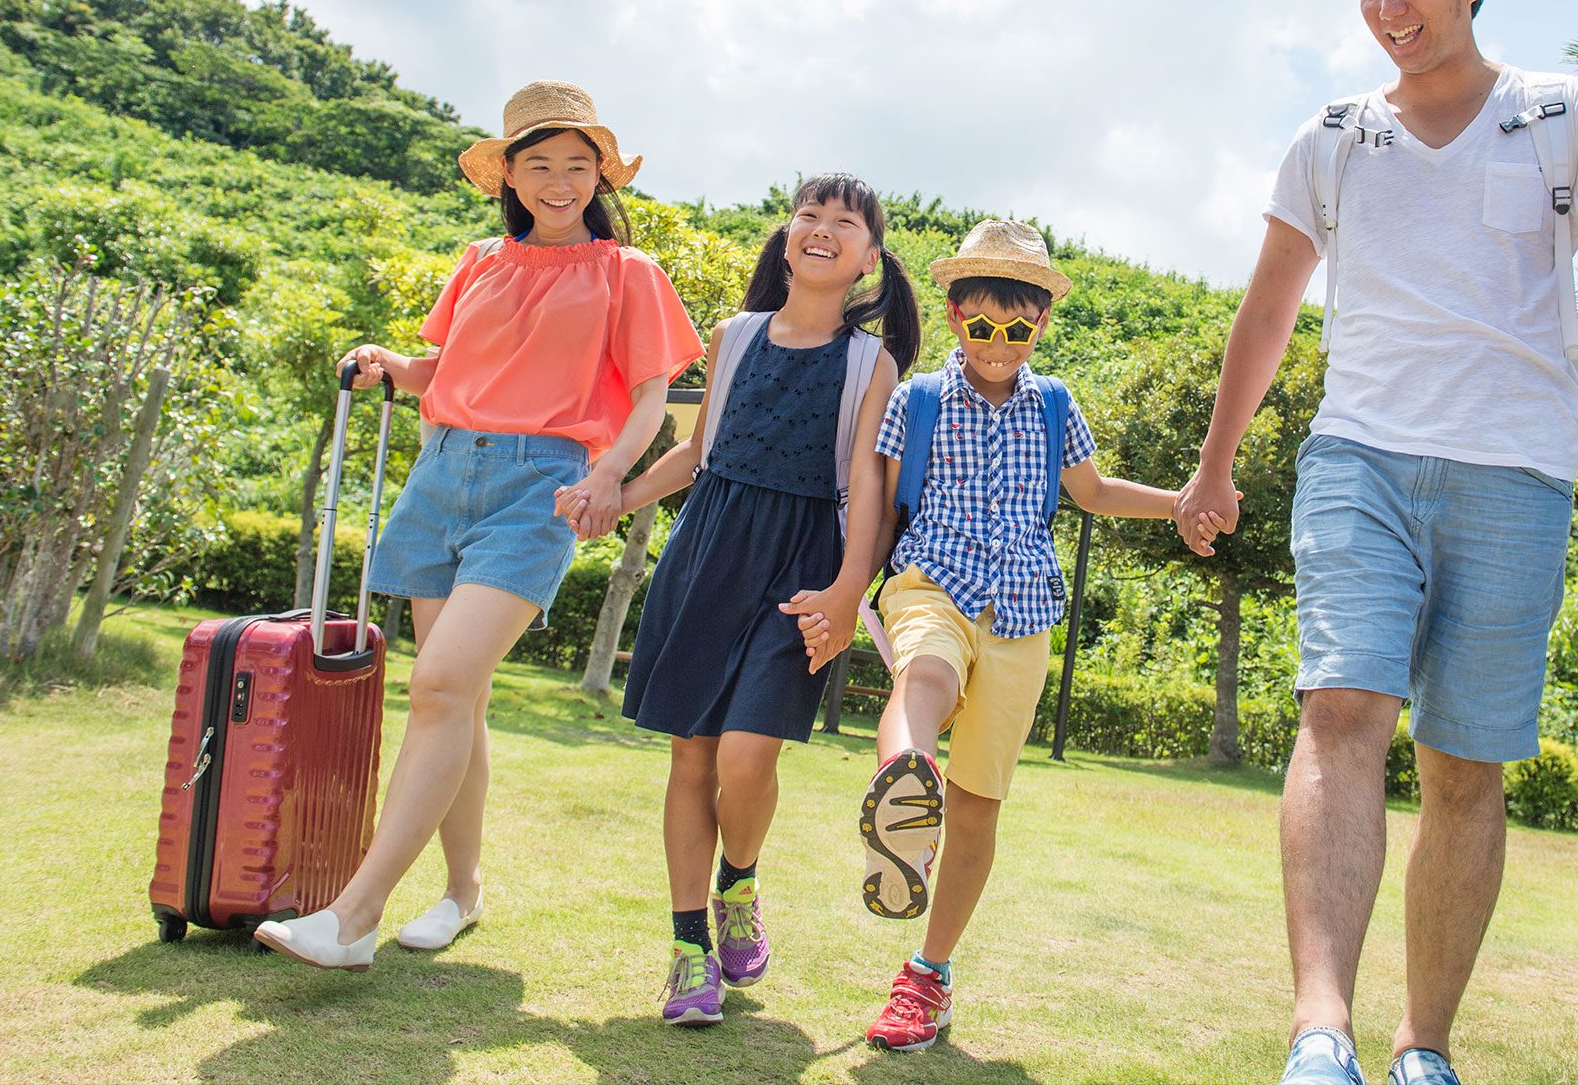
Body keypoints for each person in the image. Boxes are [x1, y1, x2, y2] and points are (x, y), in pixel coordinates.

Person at [1173, 0, 1578, 1085]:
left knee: (1464, 761)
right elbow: (1266, 311)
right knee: (1340, 709)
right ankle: (1320, 1031)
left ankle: (1424, 1043)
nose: (1386, 9)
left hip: (1516, 469)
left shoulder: (1564, 112)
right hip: (1359, 453)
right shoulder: (1330, 136)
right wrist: (1212, 465)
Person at [254, 80, 704, 970]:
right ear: (509, 174)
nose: (560, 181)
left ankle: (353, 915)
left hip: (541, 484)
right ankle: (461, 893)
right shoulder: (479, 259)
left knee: (440, 690)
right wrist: (394, 364)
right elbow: (448, 369)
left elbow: (654, 396)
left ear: (601, 177)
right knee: (458, 700)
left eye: (579, 166)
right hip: (442, 475)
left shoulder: (629, 273)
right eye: (540, 164)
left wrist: (610, 472)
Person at [852, 219, 1223, 1052]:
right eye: (981, 327)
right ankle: (903, 791)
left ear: (1040, 327)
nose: (997, 344)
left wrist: (1185, 500)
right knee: (924, 677)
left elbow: (1091, 493)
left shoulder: (1055, 403)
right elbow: (875, 513)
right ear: (954, 318)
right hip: (931, 578)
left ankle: (927, 977)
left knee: (979, 806)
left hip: (1022, 610)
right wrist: (846, 593)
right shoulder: (915, 400)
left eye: (1015, 330)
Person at [609, 174, 919, 1025]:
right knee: (691, 758)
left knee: (748, 757)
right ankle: (687, 951)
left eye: (843, 223)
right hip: (706, 554)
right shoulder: (735, 335)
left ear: (869, 258)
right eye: (808, 216)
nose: (822, 230)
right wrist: (615, 498)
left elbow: (869, 486)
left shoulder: (872, 362)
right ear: (787, 238)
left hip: (804, 572)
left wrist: (848, 589)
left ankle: (737, 886)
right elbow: (696, 453)